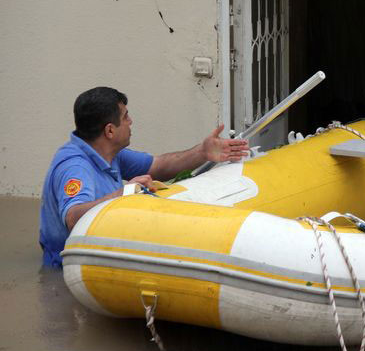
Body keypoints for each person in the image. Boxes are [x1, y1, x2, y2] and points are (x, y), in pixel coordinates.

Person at [39, 86, 250, 267]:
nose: (131, 121)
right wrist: (123, 193)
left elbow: (159, 166)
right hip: (65, 269)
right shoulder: (75, 167)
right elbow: (73, 218)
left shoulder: (111, 154)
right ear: (110, 131)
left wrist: (202, 152)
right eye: (126, 117)